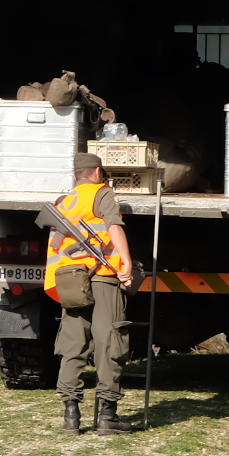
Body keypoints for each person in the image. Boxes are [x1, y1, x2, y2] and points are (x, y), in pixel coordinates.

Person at [41, 153, 137, 434]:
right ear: (97, 172)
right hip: (101, 277)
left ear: (75, 175)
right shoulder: (102, 193)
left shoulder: (63, 203)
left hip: (70, 280)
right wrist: (126, 261)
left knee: (74, 342)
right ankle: (107, 416)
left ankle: (71, 416)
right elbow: (113, 225)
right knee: (109, 342)